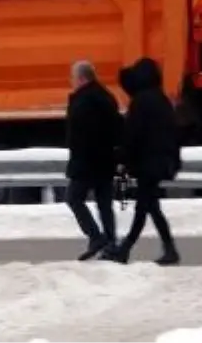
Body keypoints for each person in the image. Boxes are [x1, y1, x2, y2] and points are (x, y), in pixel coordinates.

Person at [104, 57, 182, 266]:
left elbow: (132, 135)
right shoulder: (160, 99)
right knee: (148, 206)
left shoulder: (141, 102)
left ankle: (127, 249)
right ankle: (161, 248)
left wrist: (122, 158)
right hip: (160, 161)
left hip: (148, 162)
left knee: (146, 206)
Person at [64, 60, 124, 261]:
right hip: (106, 160)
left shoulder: (82, 101)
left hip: (87, 161)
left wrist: (77, 159)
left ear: (81, 78)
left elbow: (80, 134)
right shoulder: (106, 97)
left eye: (73, 77)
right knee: (104, 203)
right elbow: (117, 128)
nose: (71, 81)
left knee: (74, 198)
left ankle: (95, 236)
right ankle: (111, 243)